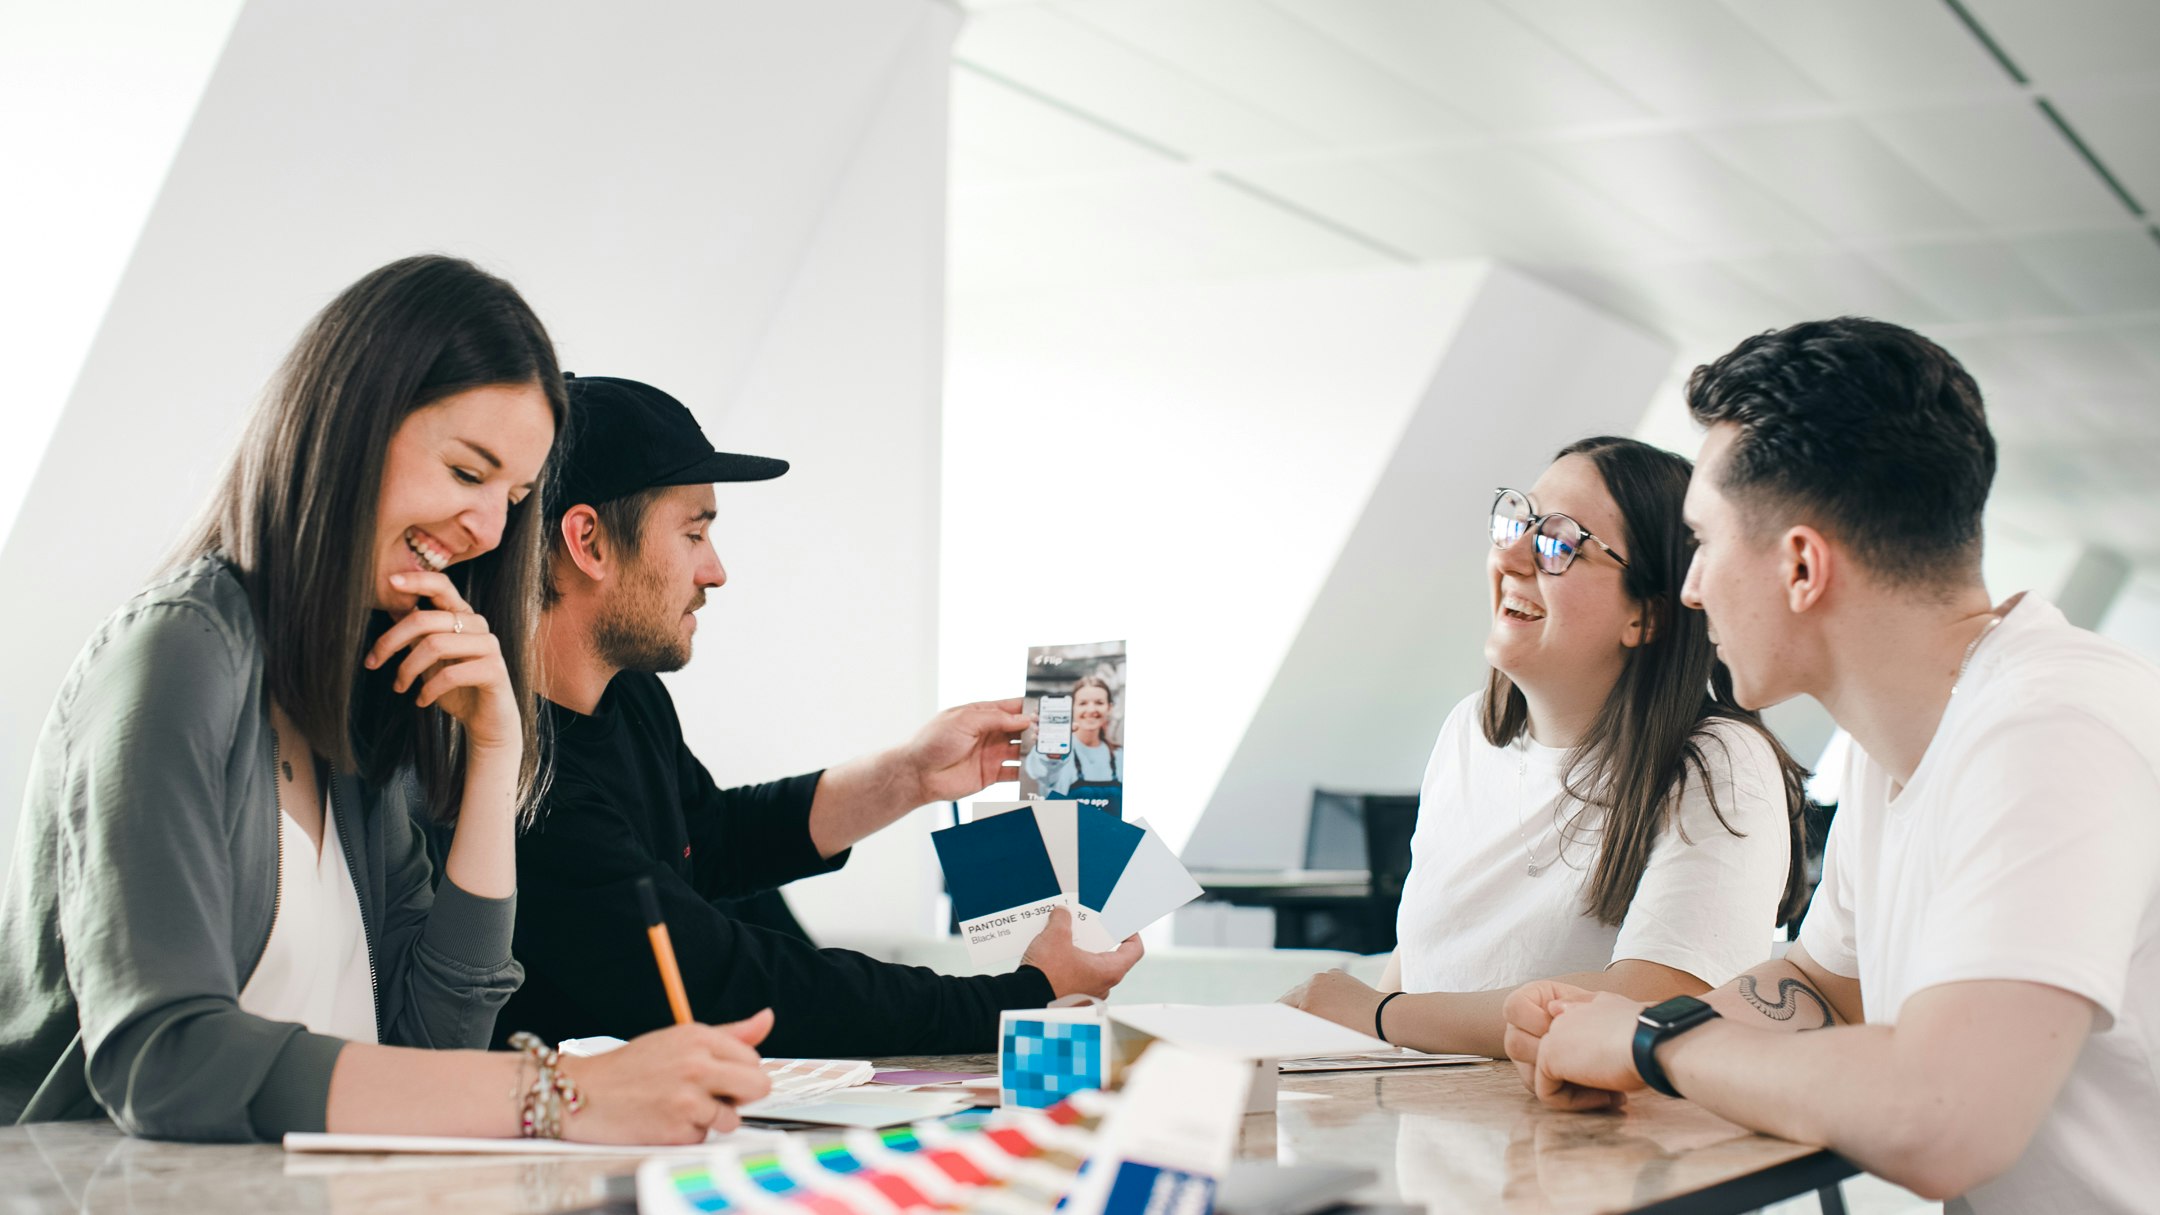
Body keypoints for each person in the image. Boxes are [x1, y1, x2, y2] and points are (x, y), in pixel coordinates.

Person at [0, 257, 773, 1145]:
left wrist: (493, 758)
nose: (487, 527)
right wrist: (562, 1093)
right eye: (466, 471)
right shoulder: (179, 652)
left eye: (514, 497)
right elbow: (165, 1060)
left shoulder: (370, 690)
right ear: (346, 427)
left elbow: (433, 1043)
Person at [1503, 319, 2160, 1213]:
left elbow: (1946, 1117)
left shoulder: (2052, 724)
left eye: (1704, 541)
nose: (1690, 588)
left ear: (1802, 565)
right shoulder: (1908, 749)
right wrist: (1613, 1028)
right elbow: (1821, 986)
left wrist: (1655, 1047)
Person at [495, 375, 1143, 1057]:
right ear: (588, 541)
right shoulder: (518, 776)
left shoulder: (630, 698)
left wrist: (910, 775)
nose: (715, 571)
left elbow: (712, 839)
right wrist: (1023, 997)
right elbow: (725, 978)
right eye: (693, 534)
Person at [1282, 436, 1808, 1060]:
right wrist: (1352, 1038)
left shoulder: (1718, 764)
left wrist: (1382, 1014)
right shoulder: (1469, 732)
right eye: (1516, 520)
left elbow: (1657, 1002)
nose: (1511, 554)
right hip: (1432, 1127)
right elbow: (1422, 968)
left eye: (1560, 542)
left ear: (1648, 617)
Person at [1022, 674, 1123, 801]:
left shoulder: (1120, 756)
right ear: (1073, 708)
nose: (1091, 709)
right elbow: (1041, 773)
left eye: (1099, 703)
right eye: (1083, 703)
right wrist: (1051, 755)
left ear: (1109, 708)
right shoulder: (1056, 750)